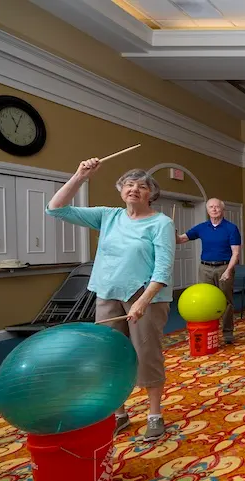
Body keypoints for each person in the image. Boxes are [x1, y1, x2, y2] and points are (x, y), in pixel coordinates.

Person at [47, 159, 175, 442]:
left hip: (146, 297)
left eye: (142, 186)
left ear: (151, 195)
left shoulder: (161, 223)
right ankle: (119, 414)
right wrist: (80, 175)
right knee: (108, 355)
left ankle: (154, 415)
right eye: (129, 184)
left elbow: (163, 267)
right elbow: (55, 209)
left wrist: (143, 301)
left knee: (146, 355)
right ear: (120, 190)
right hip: (107, 293)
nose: (134, 189)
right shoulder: (108, 216)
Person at [177, 198, 241, 344]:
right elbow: (181, 239)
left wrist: (229, 271)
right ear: (207, 210)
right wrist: (171, 233)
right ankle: (208, 331)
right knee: (205, 300)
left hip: (224, 267)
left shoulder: (231, 228)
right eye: (211, 207)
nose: (214, 209)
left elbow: (236, 253)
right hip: (205, 267)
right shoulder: (202, 227)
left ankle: (227, 332)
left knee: (226, 301)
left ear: (222, 209)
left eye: (217, 207)